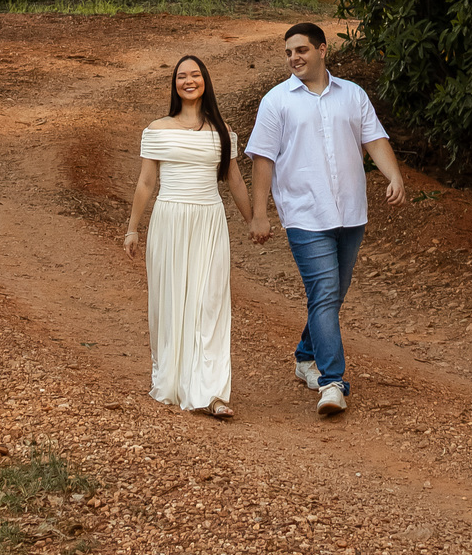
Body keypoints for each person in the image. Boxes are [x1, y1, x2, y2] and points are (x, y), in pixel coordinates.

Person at [246, 21, 405, 417]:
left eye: (301, 50)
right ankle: (332, 382)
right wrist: (260, 213)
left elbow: (374, 139)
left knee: (330, 294)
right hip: (304, 214)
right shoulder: (276, 101)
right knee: (325, 291)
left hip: (351, 212)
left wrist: (394, 176)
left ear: (321, 50)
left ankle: (305, 356)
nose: (293, 58)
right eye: (288, 53)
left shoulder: (352, 95)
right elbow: (263, 159)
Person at [124, 54, 252, 420]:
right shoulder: (158, 129)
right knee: (171, 301)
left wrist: (253, 220)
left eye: (195, 75)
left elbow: (235, 180)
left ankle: (210, 392)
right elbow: (146, 182)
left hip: (209, 221)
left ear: (205, 81)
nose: (189, 81)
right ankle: (175, 380)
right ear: (175, 84)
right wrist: (132, 228)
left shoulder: (221, 131)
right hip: (169, 220)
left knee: (210, 302)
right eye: (182, 76)